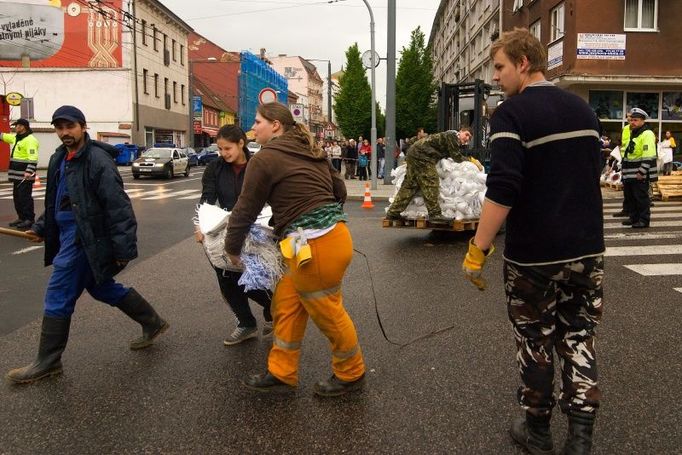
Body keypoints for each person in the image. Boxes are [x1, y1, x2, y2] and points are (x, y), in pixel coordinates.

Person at [461, 29, 604, 454]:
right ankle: (580, 439)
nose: (496, 76)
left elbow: (503, 187)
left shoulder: (511, 114)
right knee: (579, 335)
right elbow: (586, 176)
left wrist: (478, 248)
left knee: (535, 339)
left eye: (501, 67)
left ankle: (537, 432)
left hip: (534, 255)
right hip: (587, 248)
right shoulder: (583, 110)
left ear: (524, 63)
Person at [6, 105, 169, 385]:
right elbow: (57, 200)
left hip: (85, 238)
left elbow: (118, 206)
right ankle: (152, 322)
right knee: (101, 286)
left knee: (58, 293)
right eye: (59, 128)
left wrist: (123, 249)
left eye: (70, 126)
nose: (64, 133)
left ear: (83, 127)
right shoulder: (61, 158)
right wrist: (42, 227)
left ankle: (48, 361)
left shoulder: (96, 160)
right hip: (69, 232)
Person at [224, 102, 365, 397]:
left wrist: (232, 248)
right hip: (323, 240)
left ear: (276, 125)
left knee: (329, 314)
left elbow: (245, 209)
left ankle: (352, 373)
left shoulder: (265, 159)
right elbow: (338, 191)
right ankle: (281, 372)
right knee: (285, 305)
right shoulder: (310, 149)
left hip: (313, 247)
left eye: (259, 121)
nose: (254, 127)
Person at [195, 124, 273, 345]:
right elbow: (207, 200)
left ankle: (272, 308)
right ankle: (246, 323)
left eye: (227, 148)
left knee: (256, 276)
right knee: (226, 278)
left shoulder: (258, 165)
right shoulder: (214, 168)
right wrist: (201, 226)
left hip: (257, 227)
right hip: (225, 229)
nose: (223, 154)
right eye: (220, 149)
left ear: (241, 143)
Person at [384, 129, 471, 224]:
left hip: (415, 153)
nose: (467, 138)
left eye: (469, 138)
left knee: (410, 185)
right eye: (466, 134)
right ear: (461, 131)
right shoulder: (453, 136)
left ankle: (393, 212)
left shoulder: (450, 137)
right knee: (431, 180)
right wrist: (471, 160)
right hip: (422, 155)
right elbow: (456, 157)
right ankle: (435, 214)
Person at [620, 108, 657, 228]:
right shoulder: (635, 132)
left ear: (642, 121)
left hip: (639, 174)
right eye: (631, 120)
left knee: (641, 198)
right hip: (629, 173)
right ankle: (634, 218)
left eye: (635, 120)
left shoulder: (647, 133)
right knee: (631, 198)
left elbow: (649, 154)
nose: (632, 122)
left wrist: (642, 171)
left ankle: (644, 220)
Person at [1, 118, 39, 229]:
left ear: (23, 127)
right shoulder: (16, 138)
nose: (15, 127)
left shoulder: (30, 140)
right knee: (17, 198)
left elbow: (33, 158)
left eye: (17, 126)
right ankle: (21, 217)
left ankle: (29, 219)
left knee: (25, 198)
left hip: (25, 176)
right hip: (16, 176)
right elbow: (3, 136)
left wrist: (29, 171)